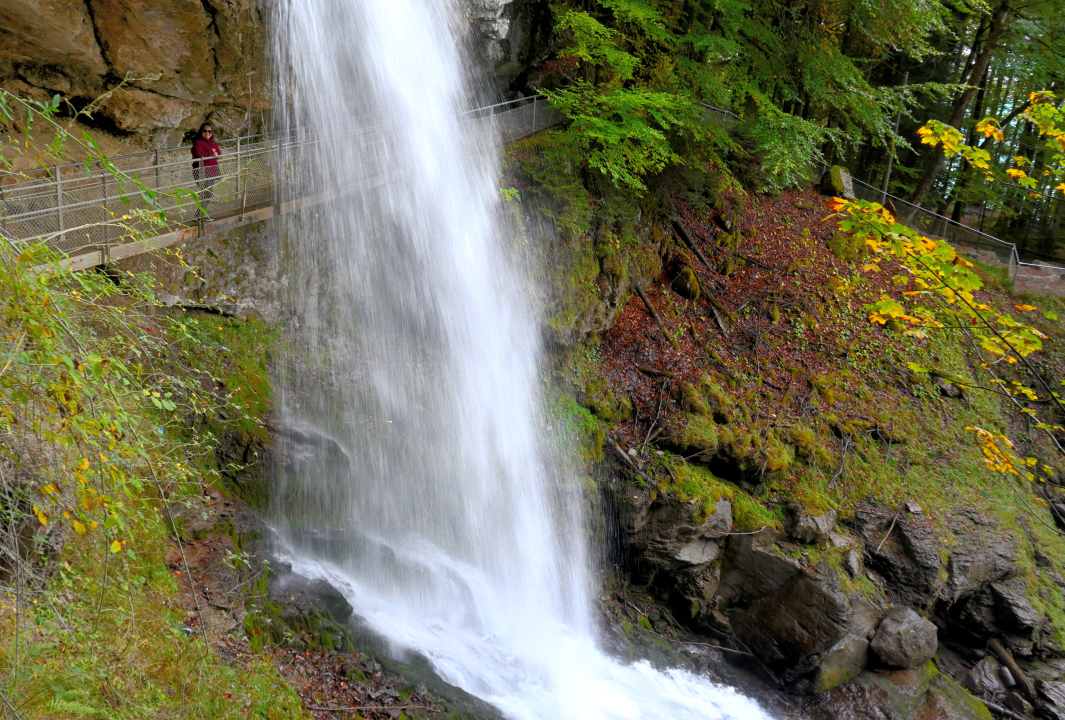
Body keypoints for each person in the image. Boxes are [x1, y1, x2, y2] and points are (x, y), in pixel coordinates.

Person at [191, 123, 221, 220]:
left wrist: (213, 152)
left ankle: (200, 215)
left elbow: (218, 152)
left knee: (207, 193)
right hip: (201, 172)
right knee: (206, 193)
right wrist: (211, 152)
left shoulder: (212, 142)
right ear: (201, 132)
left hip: (211, 171)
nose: (207, 133)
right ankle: (200, 216)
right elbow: (199, 153)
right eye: (205, 131)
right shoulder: (198, 142)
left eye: (209, 131)